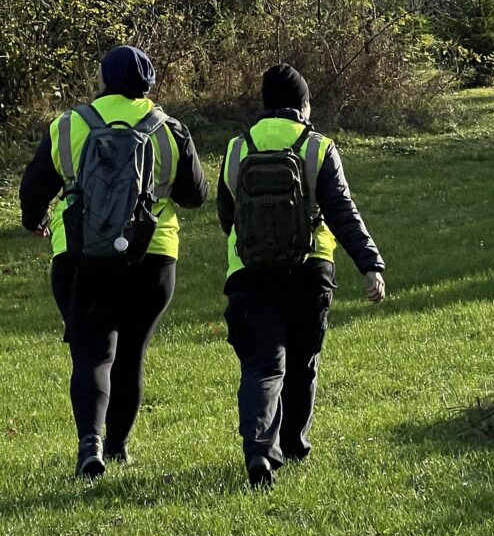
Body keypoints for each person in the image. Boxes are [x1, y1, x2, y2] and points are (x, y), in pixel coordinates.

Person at [18, 46, 208, 479]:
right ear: (148, 85)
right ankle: (119, 446)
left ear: (102, 80)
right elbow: (195, 195)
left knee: (92, 353)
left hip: (80, 253)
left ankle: (91, 444)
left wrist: (36, 222)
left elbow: (33, 189)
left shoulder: (69, 125)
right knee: (131, 353)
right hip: (153, 255)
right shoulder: (170, 128)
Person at [216, 63, 386, 489]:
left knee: (262, 365)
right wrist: (370, 264)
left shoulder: (236, 148)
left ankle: (260, 450)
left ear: (264, 104)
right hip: (310, 270)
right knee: (303, 361)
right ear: (303, 105)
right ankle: (293, 444)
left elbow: (226, 216)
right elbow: (342, 212)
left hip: (249, 272)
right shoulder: (318, 147)